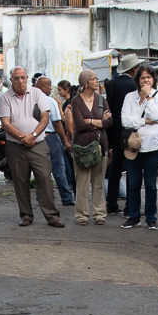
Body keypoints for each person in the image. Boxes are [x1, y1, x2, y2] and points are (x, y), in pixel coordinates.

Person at [0, 68, 63, 229]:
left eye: (23, 78)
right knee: (20, 181)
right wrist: (22, 137)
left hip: (37, 143)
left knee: (45, 179)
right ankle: (26, 215)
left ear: (27, 78)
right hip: (16, 146)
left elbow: (45, 118)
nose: (20, 81)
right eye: (16, 78)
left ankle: (52, 216)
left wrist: (32, 135)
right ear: (11, 80)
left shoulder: (36, 93)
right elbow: (5, 123)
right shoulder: (5, 97)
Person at [119, 67, 158, 230]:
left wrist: (148, 97)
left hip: (153, 146)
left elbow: (156, 116)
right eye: (142, 78)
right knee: (133, 183)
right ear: (138, 80)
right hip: (133, 146)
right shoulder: (129, 97)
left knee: (150, 184)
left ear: (154, 79)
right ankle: (134, 216)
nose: (146, 80)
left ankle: (151, 217)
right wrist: (144, 122)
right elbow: (125, 121)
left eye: (149, 77)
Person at [63, 69, 111, 227]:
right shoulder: (76, 101)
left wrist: (90, 121)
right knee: (82, 182)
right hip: (82, 146)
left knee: (98, 181)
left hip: (100, 145)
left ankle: (99, 213)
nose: (97, 82)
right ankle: (82, 215)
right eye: (94, 79)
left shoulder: (101, 100)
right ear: (85, 83)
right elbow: (79, 124)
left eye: (97, 79)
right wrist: (99, 122)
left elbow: (109, 122)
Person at [32, 74, 73, 211]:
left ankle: (40, 197)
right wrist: (65, 141)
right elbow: (57, 123)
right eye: (49, 85)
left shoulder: (31, 99)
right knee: (58, 169)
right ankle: (66, 197)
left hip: (37, 137)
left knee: (41, 170)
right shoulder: (49, 101)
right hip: (51, 137)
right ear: (43, 86)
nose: (51, 88)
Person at [102, 64, 137, 218]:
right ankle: (129, 207)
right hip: (129, 132)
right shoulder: (133, 85)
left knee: (115, 168)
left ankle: (111, 204)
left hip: (115, 133)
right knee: (131, 168)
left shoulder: (113, 82)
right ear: (134, 69)